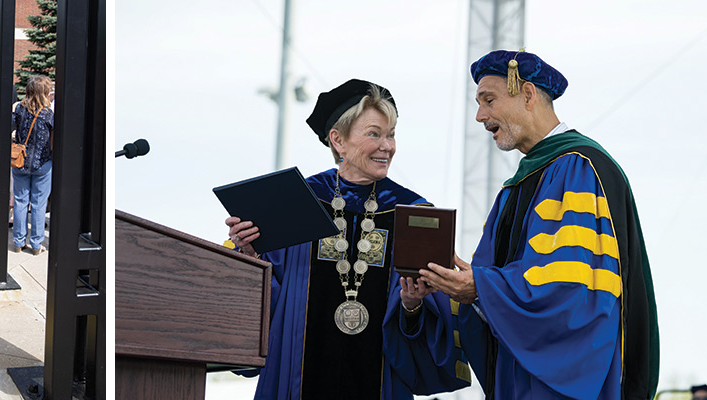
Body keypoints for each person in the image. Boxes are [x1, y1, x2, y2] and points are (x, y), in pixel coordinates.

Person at [416, 50, 659, 399]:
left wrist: (481, 287)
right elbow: (490, 282)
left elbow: (571, 291)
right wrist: (443, 288)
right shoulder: (521, 184)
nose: (480, 116)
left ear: (527, 94)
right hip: (519, 373)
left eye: (489, 100)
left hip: (562, 382)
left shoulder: (577, 168)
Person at [226, 79, 469, 399]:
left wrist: (411, 306)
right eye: (374, 134)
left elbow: (430, 324)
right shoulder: (295, 203)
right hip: (299, 380)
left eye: (391, 134)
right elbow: (267, 303)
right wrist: (250, 258)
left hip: (378, 379)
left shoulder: (414, 216)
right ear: (338, 140)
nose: (388, 146)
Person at [10, 75, 54, 255]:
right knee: (38, 204)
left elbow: (13, 129)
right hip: (42, 163)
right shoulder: (48, 114)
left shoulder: (19, 109)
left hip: (20, 161)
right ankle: (36, 244)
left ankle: (19, 242)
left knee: (20, 202)